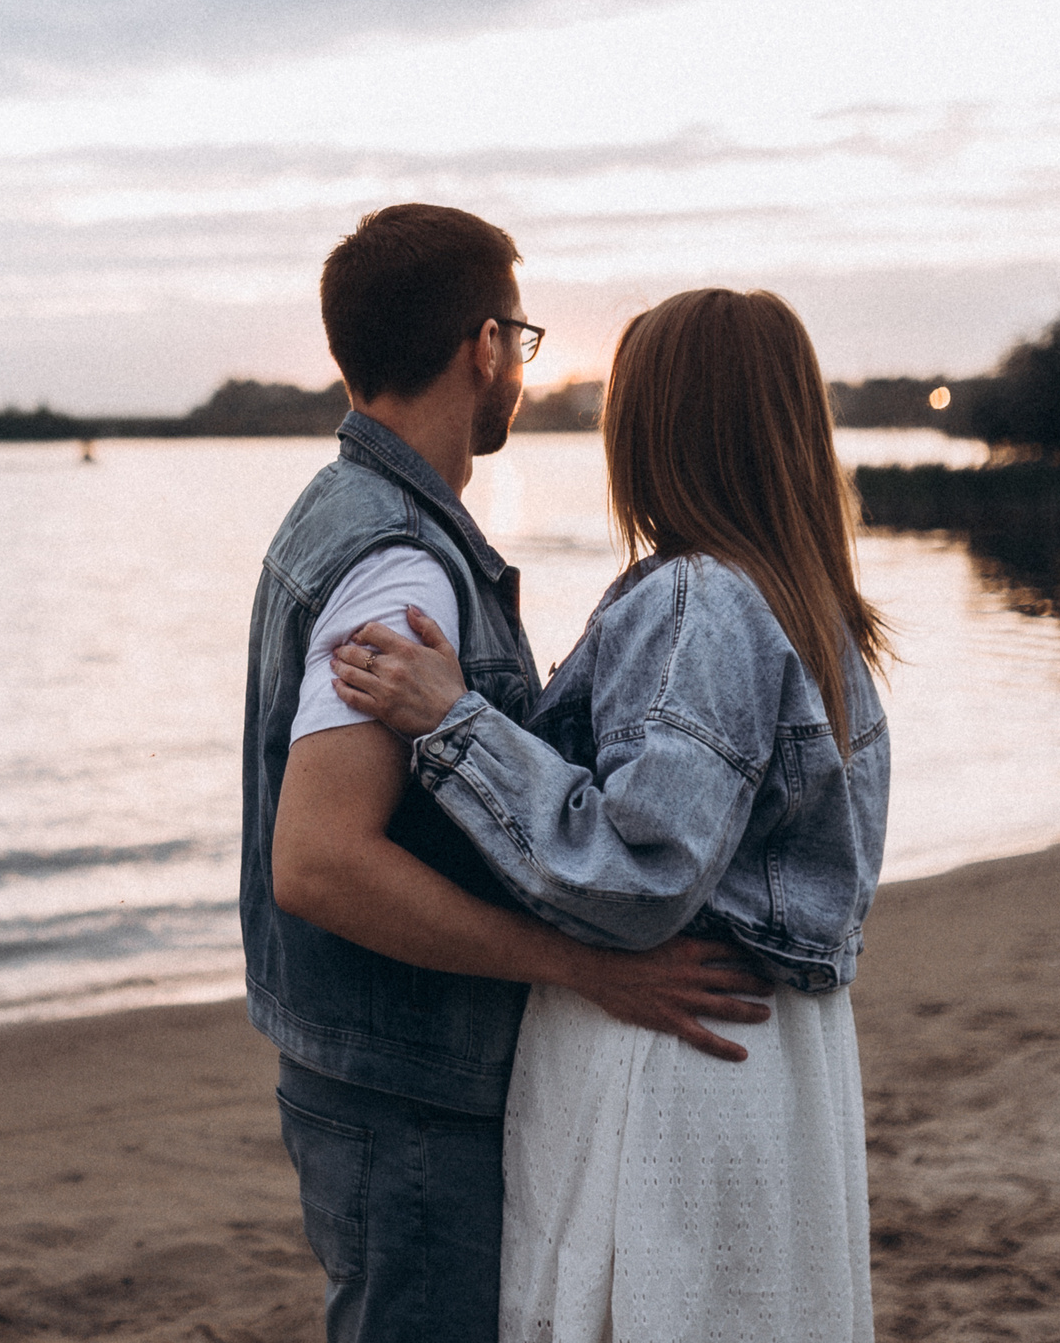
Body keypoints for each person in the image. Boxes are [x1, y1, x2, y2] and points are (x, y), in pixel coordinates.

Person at [243, 206, 777, 1343]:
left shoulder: (347, 517)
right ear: (484, 347)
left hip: (376, 1077)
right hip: (410, 1093)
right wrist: (582, 966)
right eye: (522, 340)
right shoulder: (398, 566)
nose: (521, 369)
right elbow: (320, 864)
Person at [333, 287, 891, 1342]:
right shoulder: (809, 602)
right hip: (775, 1055)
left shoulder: (697, 599)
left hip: (676, 1055)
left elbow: (643, 874)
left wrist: (454, 723)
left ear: (655, 427)